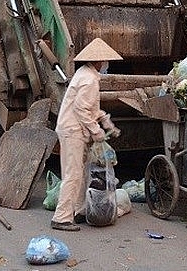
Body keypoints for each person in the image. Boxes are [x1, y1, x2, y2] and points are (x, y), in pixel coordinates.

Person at [51, 38, 123, 232]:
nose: (106, 65)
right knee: (73, 174)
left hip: (73, 129)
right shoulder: (89, 79)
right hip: (73, 131)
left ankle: (79, 210)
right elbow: (81, 109)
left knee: (82, 173)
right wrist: (97, 130)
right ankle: (62, 218)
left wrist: (105, 120)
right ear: (99, 62)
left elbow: (91, 108)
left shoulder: (85, 74)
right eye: (105, 61)